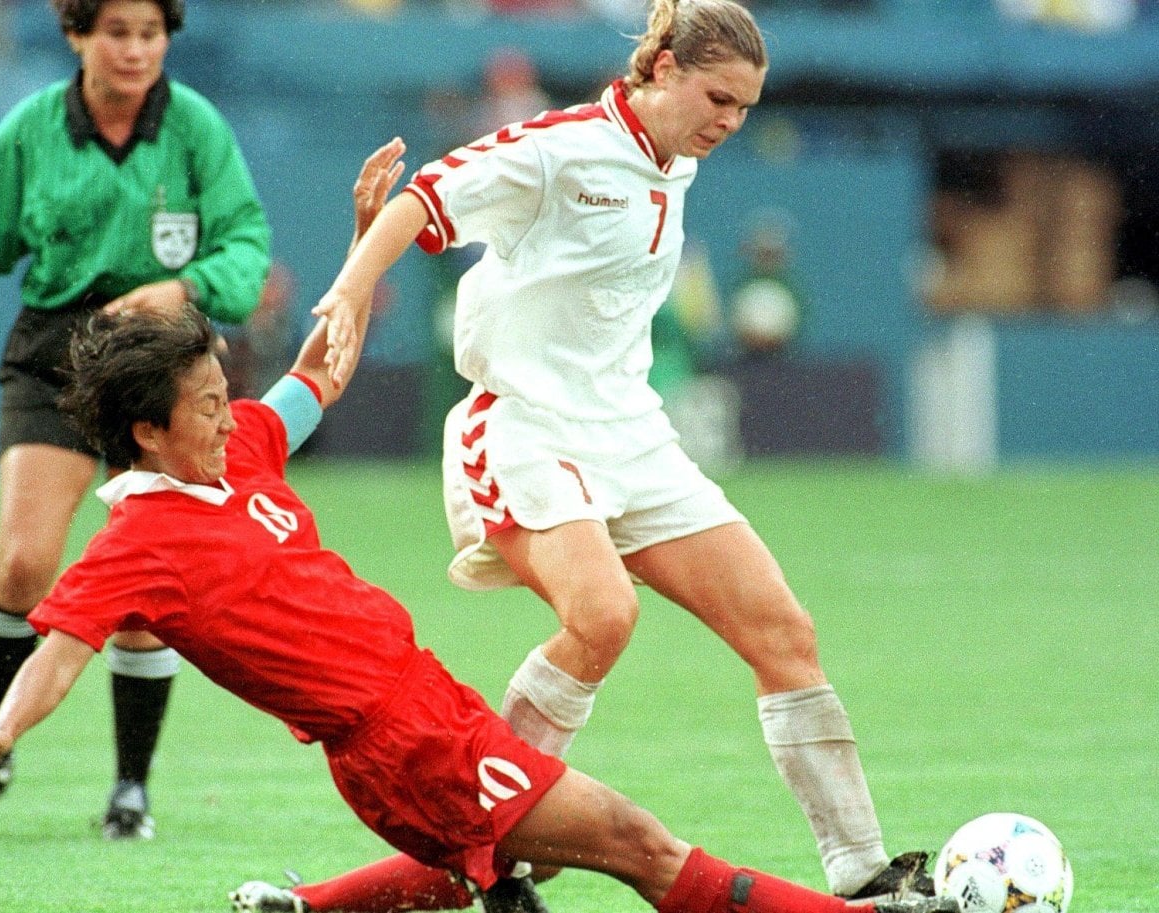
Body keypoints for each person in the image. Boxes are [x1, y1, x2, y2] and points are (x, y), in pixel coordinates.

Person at [0, 292, 958, 913]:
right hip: (397, 746)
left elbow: (309, 382)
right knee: (640, 847)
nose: (227, 414)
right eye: (206, 404)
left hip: (430, 704)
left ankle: (303, 906)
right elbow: (62, 648)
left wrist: (359, 258)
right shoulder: (137, 541)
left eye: (222, 394)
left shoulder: (238, 453)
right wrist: (1, 732)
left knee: (535, 855)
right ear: (145, 429)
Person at [310, 0, 932, 901]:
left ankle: (863, 874)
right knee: (602, 616)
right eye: (718, 97)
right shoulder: (560, 146)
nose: (728, 121)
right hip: (523, 423)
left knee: (784, 635)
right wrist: (348, 292)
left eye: (746, 109)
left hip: (631, 435)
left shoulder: (671, 159)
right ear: (664, 70)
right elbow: (425, 196)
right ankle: (488, 835)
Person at [0, 0, 271, 839]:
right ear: (75, 36)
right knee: (23, 565)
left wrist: (185, 286)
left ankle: (131, 787)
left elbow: (245, 245)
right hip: (58, 348)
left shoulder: (197, 128)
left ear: (168, 38)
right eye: (115, 32)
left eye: (150, 33)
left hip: (162, 360)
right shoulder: (33, 127)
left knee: (138, 590)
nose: (134, 50)